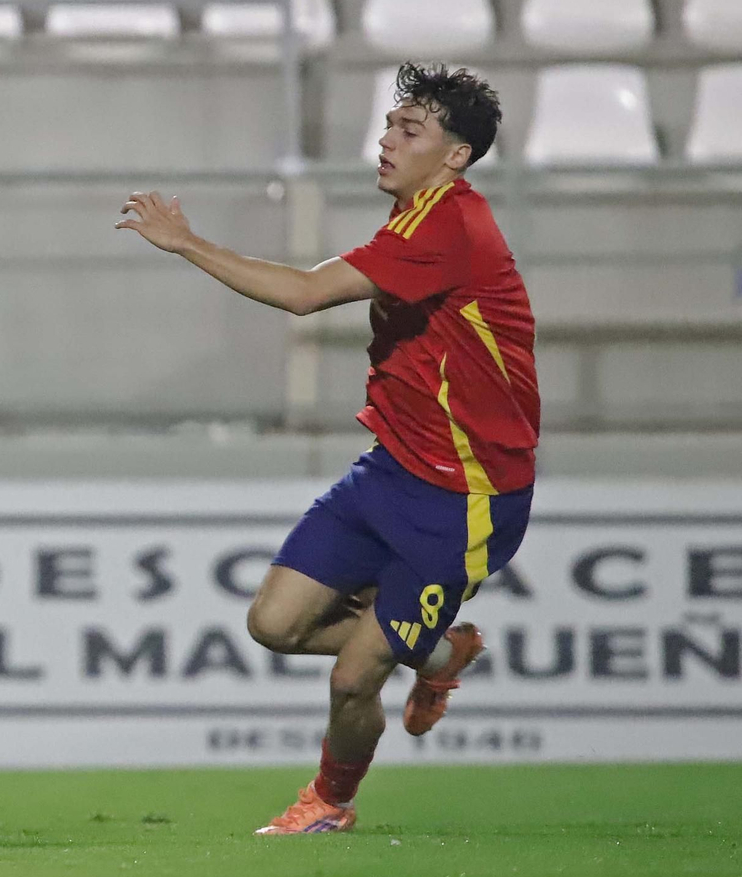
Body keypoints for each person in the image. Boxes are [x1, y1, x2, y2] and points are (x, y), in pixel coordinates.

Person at [118, 63, 538, 834]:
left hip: (465, 494)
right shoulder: (415, 219)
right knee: (273, 624)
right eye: (389, 124)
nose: (385, 140)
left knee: (354, 679)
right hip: (392, 469)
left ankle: (330, 803)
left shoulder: (449, 225)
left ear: (456, 155)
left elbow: (305, 295)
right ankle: (439, 655)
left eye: (410, 130)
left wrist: (185, 242)